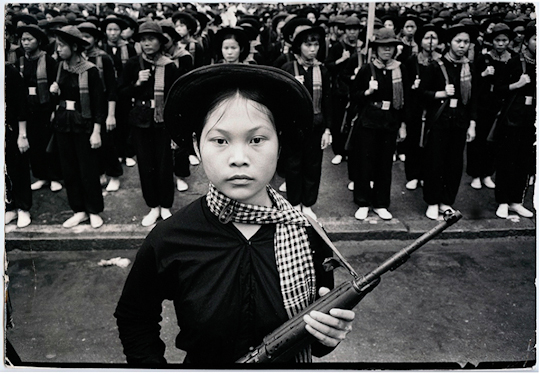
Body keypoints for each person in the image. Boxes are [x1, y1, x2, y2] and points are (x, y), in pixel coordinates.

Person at [114, 64, 355, 366]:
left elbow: (313, 338)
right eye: (220, 140)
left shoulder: (306, 234)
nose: (239, 158)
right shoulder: (170, 237)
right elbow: (134, 317)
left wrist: (327, 336)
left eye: (256, 140)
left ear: (279, 144)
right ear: (196, 146)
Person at [118, 21, 180, 227]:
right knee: (146, 165)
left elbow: (175, 98)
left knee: (164, 165)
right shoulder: (132, 64)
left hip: (162, 122)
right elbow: (122, 93)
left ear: (160, 42)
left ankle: (165, 206)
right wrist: (137, 83)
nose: (147, 44)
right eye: (143, 40)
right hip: (140, 120)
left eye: (151, 39)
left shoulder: (169, 65)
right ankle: (153, 206)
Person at [50, 25, 107, 228]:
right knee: (69, 169)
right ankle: (79, 210)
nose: (58, 50)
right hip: (64, 124)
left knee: (88, 169)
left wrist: (97, 131)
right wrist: (55, 91)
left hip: (84, 124)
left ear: (74, 47)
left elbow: (99, 103)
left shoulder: (90, 71)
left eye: (61, 46)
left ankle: (94, 210)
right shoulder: (60, 68)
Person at [419, 24, 477, 220]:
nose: (462, 46)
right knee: (435, 161)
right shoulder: (436, 65)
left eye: (466, 42)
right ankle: (432, 201)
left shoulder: (469, 67)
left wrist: (472, 123)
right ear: (450, 43)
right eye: (458, 41)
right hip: (439, 121)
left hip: (459, 121)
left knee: (454, 163)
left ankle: (446, 201)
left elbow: (473, 100)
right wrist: (440, 94)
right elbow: (421, 94)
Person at [351, 28, 408, 220]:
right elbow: (354, 96)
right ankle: (363, 202)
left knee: (384, 164)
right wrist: (367, 92)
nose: (387, 50)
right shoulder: (368, 69)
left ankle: (381, 203)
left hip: (390, 121)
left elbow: (405, 100)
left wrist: (402, 124)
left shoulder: (400, 69)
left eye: (390, 47)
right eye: (383, 47)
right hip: (368, 121)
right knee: (364, 163)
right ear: (376, 49)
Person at [280, 24, 332, 219]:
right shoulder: (288, 68)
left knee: (313, 165)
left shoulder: (323, 71)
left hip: (316, 125)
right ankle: (293, 202)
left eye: (316, 45)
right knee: (293, 166)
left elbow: (328, 101)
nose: (312, 49)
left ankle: (308, 203)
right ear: (299, 47)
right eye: (308, 45)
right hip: (294, 127)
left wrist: (328, 129)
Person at [492, 24, 536, 219]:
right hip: (512, 119)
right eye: (535, 39)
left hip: (532, 120)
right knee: (507, 158)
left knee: (524, 161)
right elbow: (498, 89)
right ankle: (502, 201)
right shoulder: (515, 62)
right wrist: (517, 85)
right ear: (526, 41)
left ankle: (516, 201)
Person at [16, 24, 63, 194]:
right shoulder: (20, 60)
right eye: (23, 40)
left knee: (48, 142)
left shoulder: (49, 61)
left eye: (29, 39)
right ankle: (41, 176)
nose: (25, 43)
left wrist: (53, 108)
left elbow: (56, 85)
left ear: (39, 41)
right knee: (34, 143)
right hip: (28, 107)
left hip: (45, 106)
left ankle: (54, 177)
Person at [467, 23, 514, 191]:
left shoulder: (513, 59)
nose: (501, 44)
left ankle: (487, 173)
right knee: (479, 141)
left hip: (501, 106)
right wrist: (483, 74)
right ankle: (475, 174)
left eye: (504, 40)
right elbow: (473, 83)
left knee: (494, 142)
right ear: (491, 41)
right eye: (497, 40)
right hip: (483, 105)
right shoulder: (483, 58)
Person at [78, 21, 123, 193]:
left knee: (107, 143)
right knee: (92, 144)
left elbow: (112, 89)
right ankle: (100, 172)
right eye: (81, 37)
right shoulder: (77, 59)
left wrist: (111, 114)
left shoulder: (104, 58)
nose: (84, 40)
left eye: (88, 36)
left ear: (95, 39)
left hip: (103, 106)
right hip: (85, 107)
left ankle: (114, 174)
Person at [402, 24, 442, 191]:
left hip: (434, 107)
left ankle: (426, 175)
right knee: (413, 141)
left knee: (431, 144)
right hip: (415, 107)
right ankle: (413, 175)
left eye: (434, 38)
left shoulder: (442, 61)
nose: (430, 42)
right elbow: (405, 86)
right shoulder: (412, 61)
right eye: (427, 38)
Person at [5, 62, 32, 228]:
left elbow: (22, 104)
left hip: (12, 128)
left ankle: (23, 208)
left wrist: (22, 135)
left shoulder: (10, 71)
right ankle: (10, 206)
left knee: (18, 168)